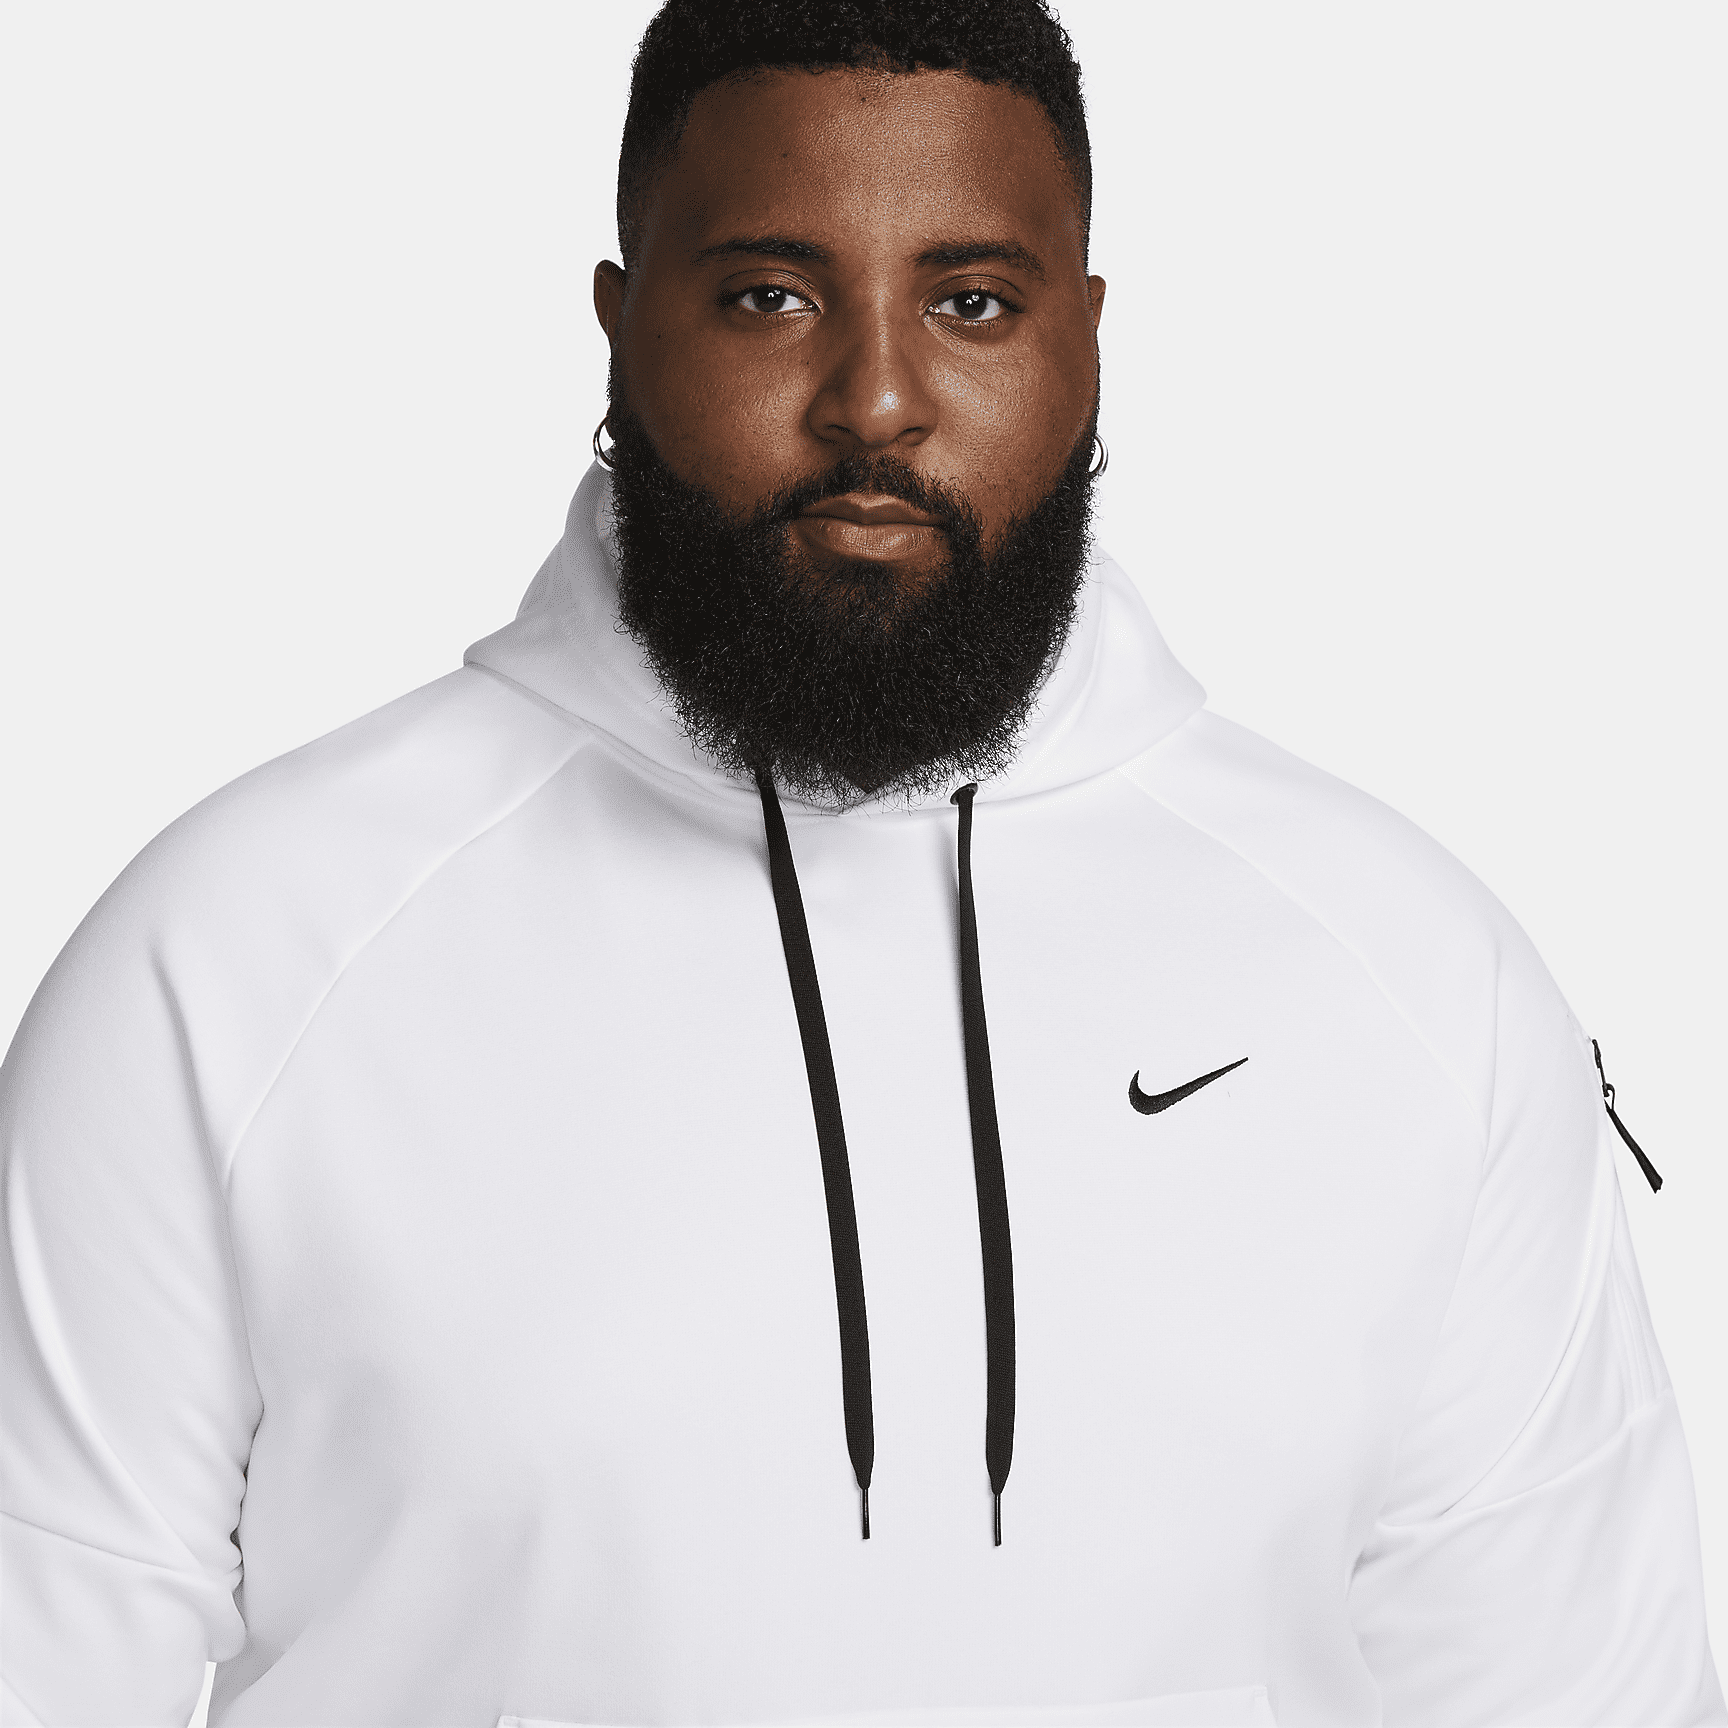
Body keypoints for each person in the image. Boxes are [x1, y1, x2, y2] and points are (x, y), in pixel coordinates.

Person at [2, 2, 1721, 1724]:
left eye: (971, 303)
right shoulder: (240, 955)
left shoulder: (1406, 977)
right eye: (771, 296)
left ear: (1088, 339)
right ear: (619, 325)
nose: (877, 401)